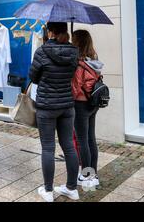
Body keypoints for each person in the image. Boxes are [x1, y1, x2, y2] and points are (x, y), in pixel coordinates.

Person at [29, 22, 79, 202]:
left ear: (50, 31)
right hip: (67, 105)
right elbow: (72, 73)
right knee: (69, 146)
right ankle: (72, 188)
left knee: (48, 148)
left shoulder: (42, 51)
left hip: (47, 107)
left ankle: (48, 191)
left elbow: (33, 77)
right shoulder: (73, 51)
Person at [72, 30, 104, 188]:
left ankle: (86, 175)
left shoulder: (79, 63)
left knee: (82, 140)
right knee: (91, 138)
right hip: (93, 104)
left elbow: (75, 88)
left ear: (77, 42)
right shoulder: (94, 60)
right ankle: (94, 175)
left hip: (81, 105)